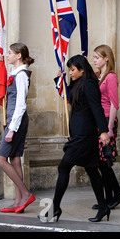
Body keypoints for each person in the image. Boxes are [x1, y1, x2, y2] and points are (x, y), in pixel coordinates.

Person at [49, 55, 111, 222]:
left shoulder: (89, 84)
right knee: (92, 170)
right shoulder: (77, 83)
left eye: (73, 69)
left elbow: (97, 108)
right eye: (69, 70)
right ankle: (103, 206)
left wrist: (103, 131)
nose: (70, 72)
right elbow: (67, 96)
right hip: (79, 134)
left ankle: (55, 208)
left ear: (82, 69)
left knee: (64, 167)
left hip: (84, 135)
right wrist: (60, 79)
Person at [0, 43, 35, 213]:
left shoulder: (21, 76)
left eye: (10, 53)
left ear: (19, 55)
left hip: (16, 121)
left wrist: (12, 129)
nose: (8, 55)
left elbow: (20, 105)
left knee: (0, 159)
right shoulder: (15, 73)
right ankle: (18, 201)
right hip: (14, 120)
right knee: (15, 159)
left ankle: (25, 194)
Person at [92, 45, 120, 210]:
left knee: (104, 160)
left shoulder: (111, 77)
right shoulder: (99, 76)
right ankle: (110, 196)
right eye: (94, 57)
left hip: (107, 120)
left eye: (97, 57)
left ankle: (115, 194)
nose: (94, 60)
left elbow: (114, 104)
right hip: (100, 120)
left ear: (106, 58)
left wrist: (110, 127)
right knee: (101, 161)